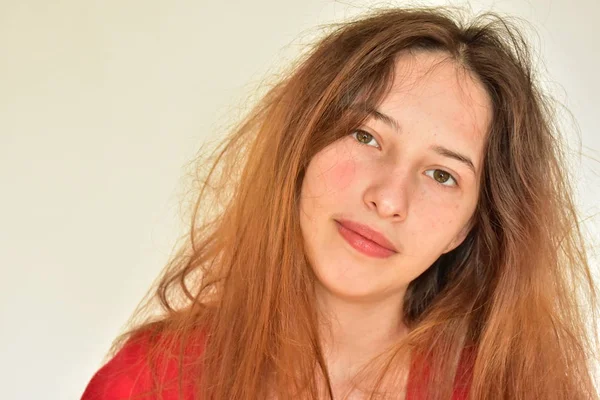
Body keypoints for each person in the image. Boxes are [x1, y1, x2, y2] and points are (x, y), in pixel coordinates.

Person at [81, 6, 599, 400]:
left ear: (466, 228)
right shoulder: (146, 380)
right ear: (303, 146)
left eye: (442, 175)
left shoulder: (512, 391)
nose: (389, 198)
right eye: (366, 137)